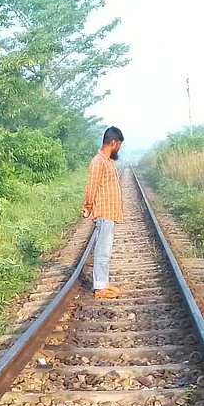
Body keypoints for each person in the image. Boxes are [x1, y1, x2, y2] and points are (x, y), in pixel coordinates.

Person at [81, 126, 124, 300]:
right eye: (119, 144)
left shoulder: (107, 161)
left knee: (105, 249)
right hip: (104, 213)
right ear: (113, 143)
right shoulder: (98, 162)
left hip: (110, 213)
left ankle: (103, 283)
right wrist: (88, 206)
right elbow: (91, 186)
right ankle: (99, 287)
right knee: (102, 250)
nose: (119, 148)